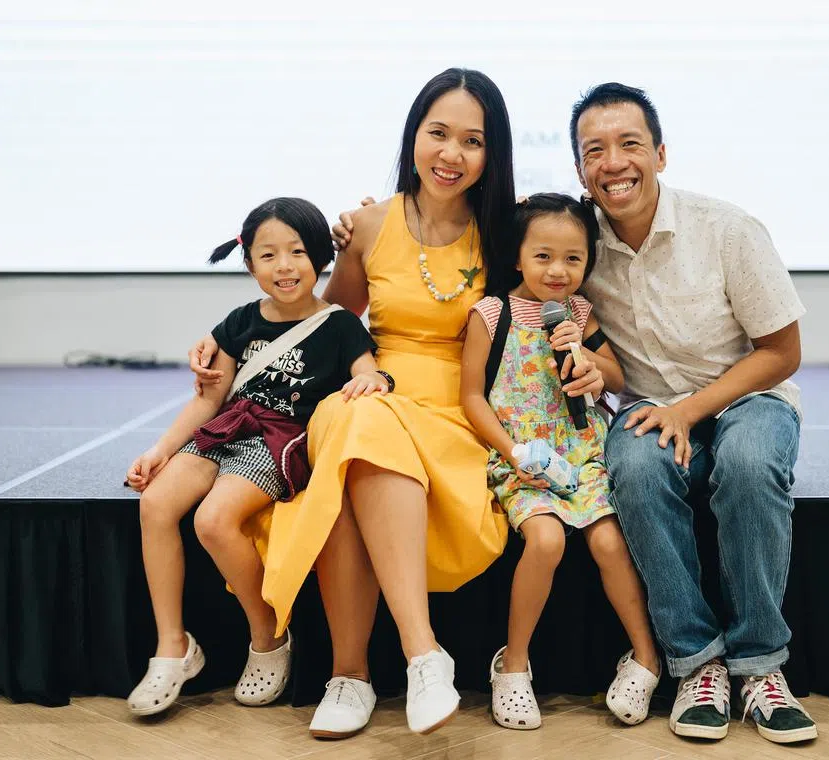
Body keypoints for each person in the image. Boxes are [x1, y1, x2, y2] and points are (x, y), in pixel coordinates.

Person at [191, 69, 604, 737]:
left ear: (491, 153)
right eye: (437, 133)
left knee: (354, 459)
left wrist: (584, 364)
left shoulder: (505, 228)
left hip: (460, 407)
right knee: (356, 425)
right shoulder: (372, 222)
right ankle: (415, 656)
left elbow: (547, 301)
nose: (451, 153)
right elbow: (327, 320)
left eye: (472, 140)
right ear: (414, 135)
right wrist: (228, 342)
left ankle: (355, 674)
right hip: (369, 384)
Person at [570, 83, 816, 744]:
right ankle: (698, 664)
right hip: (649, 406)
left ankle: (760, 666)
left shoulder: (728, 229)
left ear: (661, 153)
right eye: (596, 151)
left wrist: (691, 409)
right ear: (580, 170)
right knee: (634, 471)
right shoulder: (575, 244)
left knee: (746, 460)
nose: (614, 162)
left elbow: (782, 351)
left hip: (747, 395)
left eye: (630, 144)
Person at [126, 197, 384, 717]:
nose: (283, 266)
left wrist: (371, 378)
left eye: (296, 252)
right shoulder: (238, 322)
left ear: (319, 257)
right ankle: (173, 646)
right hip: (226, 430)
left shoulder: (339, 325)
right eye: (268, 256)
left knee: (214, 520)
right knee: (154, 504)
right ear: (250, 263)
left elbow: (366, 371)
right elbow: (207, 400)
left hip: (278, 442)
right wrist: (160, 450)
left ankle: (267, 635)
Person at [460, 193, 661, 730]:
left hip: (579, 448)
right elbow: (472, 397)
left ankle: (646, 657)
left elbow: (617, 378)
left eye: (573, 259)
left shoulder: (578, 313)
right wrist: (511, 452)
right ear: (517, 256)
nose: (559, 271)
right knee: (545, 541)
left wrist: (588, 354)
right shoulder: (491, 314)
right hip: (523, 455)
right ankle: (514, 665)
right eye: (544, 256)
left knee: (609, 540)